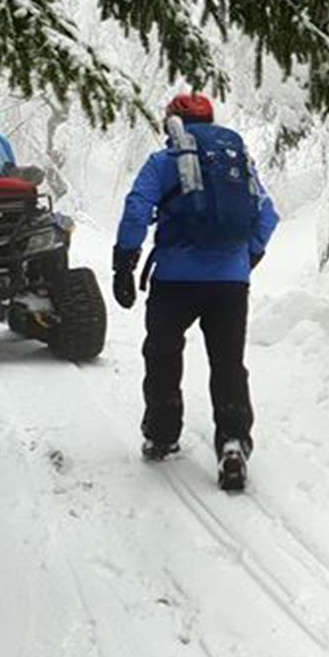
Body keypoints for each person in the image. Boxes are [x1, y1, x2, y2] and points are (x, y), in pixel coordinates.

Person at [112, 93, 279, 490]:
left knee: (163, 354)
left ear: (172, 123)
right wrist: (246, 258)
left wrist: (124, 262)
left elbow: (137, 209)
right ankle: (234, 442)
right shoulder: (237, 162)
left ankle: (162, 435)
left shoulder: (163, 163)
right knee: (228, 363)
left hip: (174, 281)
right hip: (230, 283)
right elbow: (268, 215)